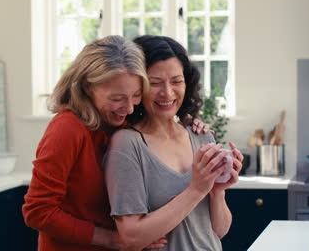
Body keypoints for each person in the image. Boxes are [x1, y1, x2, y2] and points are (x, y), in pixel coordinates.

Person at [22, 35, 210, 251]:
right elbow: (37, 211)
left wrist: (187, 122)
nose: (129, 107)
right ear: (86, 87)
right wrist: (110, 239)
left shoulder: (121, 124)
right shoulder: (67, 129)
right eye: (117, 98)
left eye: (136, 95)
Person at [104, 35, 243, 251]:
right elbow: (131, 238)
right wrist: (196, 190)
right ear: (138, 87)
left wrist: (217, 191)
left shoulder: (202, 136)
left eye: (177, 81)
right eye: (155, 83)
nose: (167, 93)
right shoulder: (127, 145)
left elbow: (219, 230)